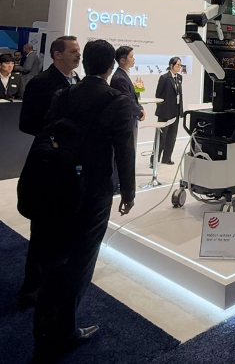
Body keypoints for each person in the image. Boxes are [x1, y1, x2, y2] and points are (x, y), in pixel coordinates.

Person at [24, 39, 135, 361]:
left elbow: (47, 133)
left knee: (55, 261)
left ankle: (44, 331)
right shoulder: (117, 100)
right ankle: (64, 332)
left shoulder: (65, 94)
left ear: (85, 63)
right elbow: (124, 150)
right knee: (80, 264)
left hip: (56, 184)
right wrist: (128, 192)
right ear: (111, 66)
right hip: (93, 192)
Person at [18, 36, 82, 305]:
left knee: (63, 229)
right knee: (42, 230)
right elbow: (26, 123)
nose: (78, 55)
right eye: (73, 51)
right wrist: (58, 131)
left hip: (69, 165)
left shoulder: (76, 81)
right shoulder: (41, 83)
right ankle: (31, 287)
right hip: (48, 165)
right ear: (57, 54)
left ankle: (52, 283)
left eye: (79, 51)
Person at [155, 57, 184, 165]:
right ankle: (155, 159)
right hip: (165, 112)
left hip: (176, 111)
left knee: (172, 136)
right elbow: (158, 94)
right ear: (171, 65)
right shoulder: (164, 78)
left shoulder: (179, 77)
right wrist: (163, 107)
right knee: (161, 137)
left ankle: (166, 158)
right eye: (177, 65)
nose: (179, 67)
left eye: (180, 65)